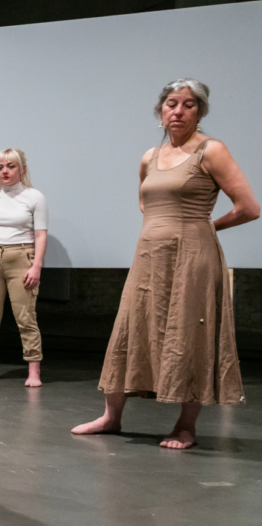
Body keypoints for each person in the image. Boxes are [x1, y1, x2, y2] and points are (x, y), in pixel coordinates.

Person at [73, 79, 258, 449]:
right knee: (131, 326)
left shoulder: (212, 151)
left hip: (193, 258)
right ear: (160, 112)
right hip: (149, 257)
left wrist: (206, 226)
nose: (179, 110)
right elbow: (146, 202)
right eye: (172, 103)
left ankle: (185, 426)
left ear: (200, 112)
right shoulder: (149, 157)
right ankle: (111, 417)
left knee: (191, 332)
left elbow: (249, 208)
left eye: (189, 104)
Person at [0, 148, 47, 387]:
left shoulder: (35, 197)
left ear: (22, 168)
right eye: (0, 167)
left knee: (25, 317)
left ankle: (33, 371)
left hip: (21, 256)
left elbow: (41, 235)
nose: (5, 171)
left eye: (11, 166)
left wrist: (36, 266)